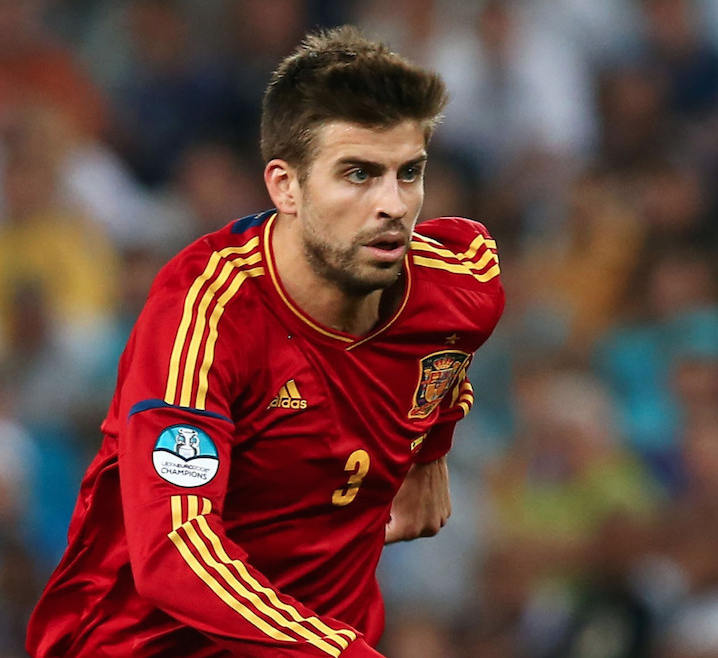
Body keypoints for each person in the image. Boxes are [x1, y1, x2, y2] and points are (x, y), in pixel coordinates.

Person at [26, 26, 504, 657]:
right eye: (357, 174)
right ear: (286, 187)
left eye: (407, 173)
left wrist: (430, 451)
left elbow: (449, 345)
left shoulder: (460, 284)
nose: (392, 204)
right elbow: (177, 547)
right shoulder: (205, 317)